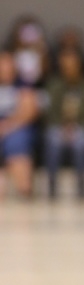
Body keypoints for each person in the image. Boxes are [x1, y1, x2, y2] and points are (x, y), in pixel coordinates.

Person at [43, 48, 84, 199]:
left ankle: (81, 186)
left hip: (82, 127)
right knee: (53, 140)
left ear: (79, 66)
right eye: (66, 65)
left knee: (81, 142)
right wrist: (63, 126)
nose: (69, 69)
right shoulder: (54, 86)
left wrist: (75, 127)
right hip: (58, 127)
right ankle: (52, 186)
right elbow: (50, 112)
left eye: (72, 65)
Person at [0, 49, 39, 198]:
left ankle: (24, 190)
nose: (5, 68)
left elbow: (29, 112)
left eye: (7, 64)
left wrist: (8, 126)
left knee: (17, 142)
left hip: (17, 127)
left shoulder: (23, 84)